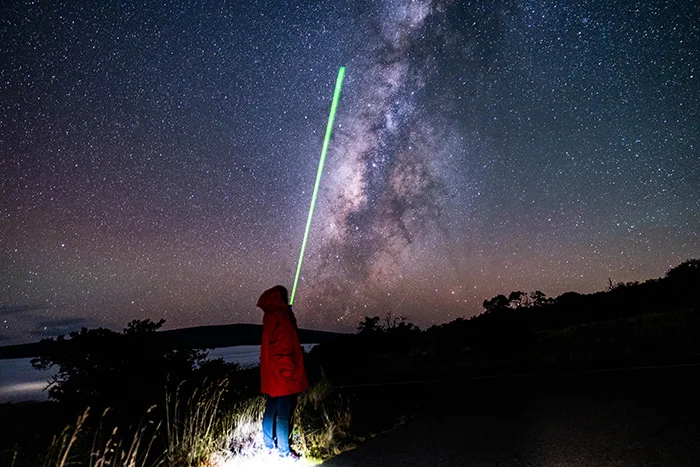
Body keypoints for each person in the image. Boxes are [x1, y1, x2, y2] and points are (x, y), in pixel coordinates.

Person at [257, 285, 309, 459]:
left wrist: (290, 318)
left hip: (272, 374)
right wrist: (288, 372)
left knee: (271, 409)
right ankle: (284, 452)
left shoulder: (271, 315)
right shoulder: (280, 316)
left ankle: (268, 445)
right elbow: (283, 347)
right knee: (283, 414)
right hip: (282, 375)